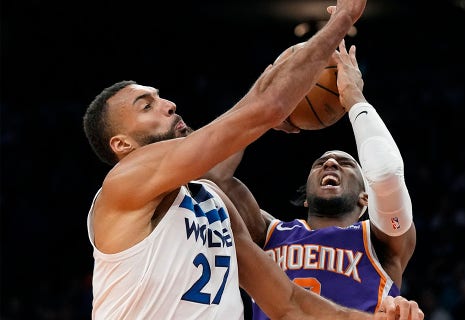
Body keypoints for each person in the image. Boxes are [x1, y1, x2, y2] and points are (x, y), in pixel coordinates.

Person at [82, 0, 423, 318]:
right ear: (121, 145)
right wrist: (342, 20)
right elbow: (263, 109)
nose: (168, 104)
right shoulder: (124, 183)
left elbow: (289, 305)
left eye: (160, 97)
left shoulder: (214, 204)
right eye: (147, 106)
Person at [211, 40, 416, 320]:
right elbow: (214, 180)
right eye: (320, 164)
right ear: (306, 195)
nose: (330, 163)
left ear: (365, 198)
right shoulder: (267, 233)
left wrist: (353, 95)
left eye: (346, 164)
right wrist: (263, 110)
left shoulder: (382, 243)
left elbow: (385, 175)